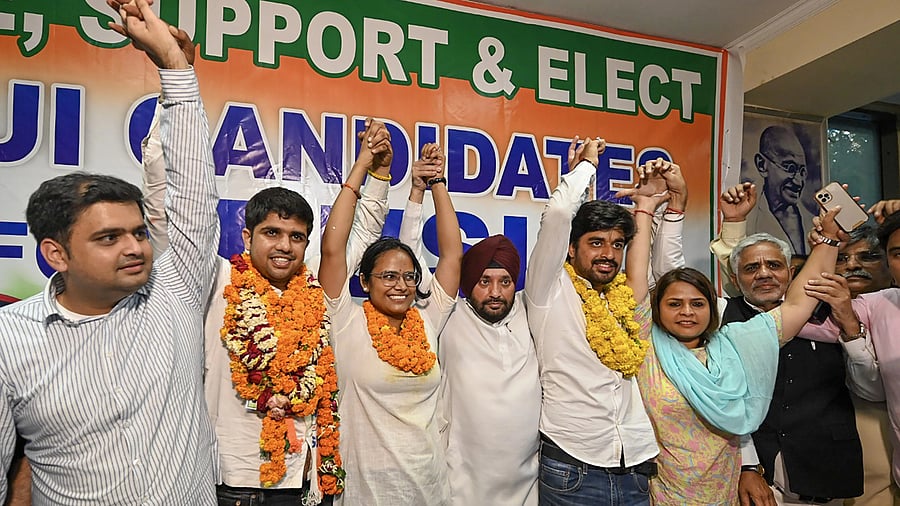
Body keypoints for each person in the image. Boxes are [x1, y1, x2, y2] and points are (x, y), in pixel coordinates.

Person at [0, 0, 217, 501]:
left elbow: (194, 193)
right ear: (57, 254)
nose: (135, 247)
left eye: (138, 233)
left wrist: (174, 69)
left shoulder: (174, 293)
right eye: (107, 238)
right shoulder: (11, 341)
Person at [143, 107, 394, 505]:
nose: (284, 245)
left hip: (303, 484)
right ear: (246, 236)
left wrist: (378, 172)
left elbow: (360, 232)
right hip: (230, 483)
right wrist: (171, 95)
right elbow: (163, 209)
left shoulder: (314, 288)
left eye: (296, 236)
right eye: (272, 233)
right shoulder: (217, 281)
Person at [526, 136, 686, 505]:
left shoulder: (622, 294)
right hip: (572, 466)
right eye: (596, 242)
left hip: (634, 464)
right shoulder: (548, 290)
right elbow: (559, 215)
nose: (609, 254)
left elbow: (663, 272)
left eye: (617, 244)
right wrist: (587, 166)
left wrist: (649, 208)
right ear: (571, 247)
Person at [711, 183, 874, 505]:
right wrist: (748, 463)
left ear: (790, 271)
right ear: (736, 277)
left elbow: (869, 388)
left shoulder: (831, 311)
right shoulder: (719, 317)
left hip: (824, 470)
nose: (764, 274)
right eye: (751, 268)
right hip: (752, 473)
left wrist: (849, 326)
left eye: (773, 265)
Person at [319, 143, 462, 505]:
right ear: (364, 282)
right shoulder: (345, 318)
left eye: (409, 277)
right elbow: (333, 250)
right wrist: (364, 166)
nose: (400, 285)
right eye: (387, 276)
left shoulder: (428, 318)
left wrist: (437, 182)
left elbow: (452, 254)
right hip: (366, 491)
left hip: (429, 487)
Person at [435, 233, 541, 506]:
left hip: (528, 487)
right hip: (462, 486)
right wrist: (419, 198)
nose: (495, 293)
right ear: (469, 282)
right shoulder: (448, 315)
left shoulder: (527, 310)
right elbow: (408, 258)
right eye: (484, 281)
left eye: (505, 282)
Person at [801, 201, 900, 491]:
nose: (853, 266)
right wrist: (825, 246)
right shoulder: (875, 305)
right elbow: (784, 314)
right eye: (842, 258)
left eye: (867, 256)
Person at [748, 126, 816, 255]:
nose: (798, 181)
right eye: (790, 168)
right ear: (762, 165)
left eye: (802, 171)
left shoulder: (813, 223)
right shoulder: (747, 222)